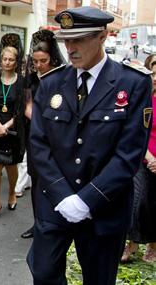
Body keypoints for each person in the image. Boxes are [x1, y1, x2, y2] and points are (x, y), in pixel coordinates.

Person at [27, 7, 152, 284]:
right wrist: (63, 195)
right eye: (66, 40)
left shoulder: (132, 83)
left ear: (103, 36)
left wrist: (87, 200)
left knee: (99, 279)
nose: (70, 48)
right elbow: (39, 144)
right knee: (44, 273)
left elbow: (128, 154)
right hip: (55, 203)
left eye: (79, 39)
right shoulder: (51, 83)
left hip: (104, 207)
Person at [18, 29, 66, 239]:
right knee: (36, 181)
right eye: (35, 61)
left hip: (57, 138)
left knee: (54, 181)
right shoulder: (31, 79)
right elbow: (27, 107)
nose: (38, 66)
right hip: (35, 136)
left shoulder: (61, 79)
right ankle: (38, 222)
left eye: (43, 61)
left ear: (52, 59)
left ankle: (55, 223)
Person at [0, 34, 26, 220]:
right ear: (0, 60)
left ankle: (11, 193)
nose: (7, 62)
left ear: (16, 62)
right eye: (5, 59)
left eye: (11, 59)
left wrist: (6, 126)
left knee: (11, 166)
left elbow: (21, 109)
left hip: (13, 129)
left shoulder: (22, 81)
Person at [121, 54, 156, 263]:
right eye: (153, 71)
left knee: (154, 203)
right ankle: (131, 244)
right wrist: (148, 156)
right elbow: (134, 129)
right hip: (142, 157)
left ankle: (153, 246)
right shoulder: (141, 97)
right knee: (137, 201)